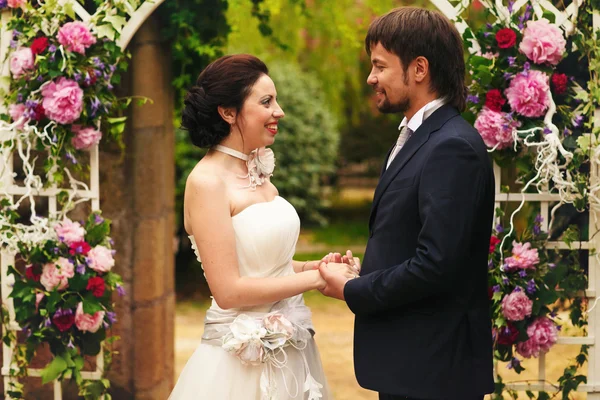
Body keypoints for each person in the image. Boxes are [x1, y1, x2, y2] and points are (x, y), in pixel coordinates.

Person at [318, 7, 496, 400]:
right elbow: (410, 239)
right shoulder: (417, 137)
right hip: (413, 366)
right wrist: (365, 271)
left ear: (419, 69)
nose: (371, 78)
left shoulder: (451, 146)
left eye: (380, 66)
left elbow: (436, 264)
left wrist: (355, 290)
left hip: (434, 372)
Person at [169, 54, 355, 399]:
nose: (279, 111)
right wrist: (316, 280)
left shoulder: (258, 173)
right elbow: (229, 290)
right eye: (266, 101)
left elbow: (267, 266)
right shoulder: (207, 182)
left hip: (293, 350)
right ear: (228, 112)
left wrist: (318, 266)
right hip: (238, 362)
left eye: (276, 100)